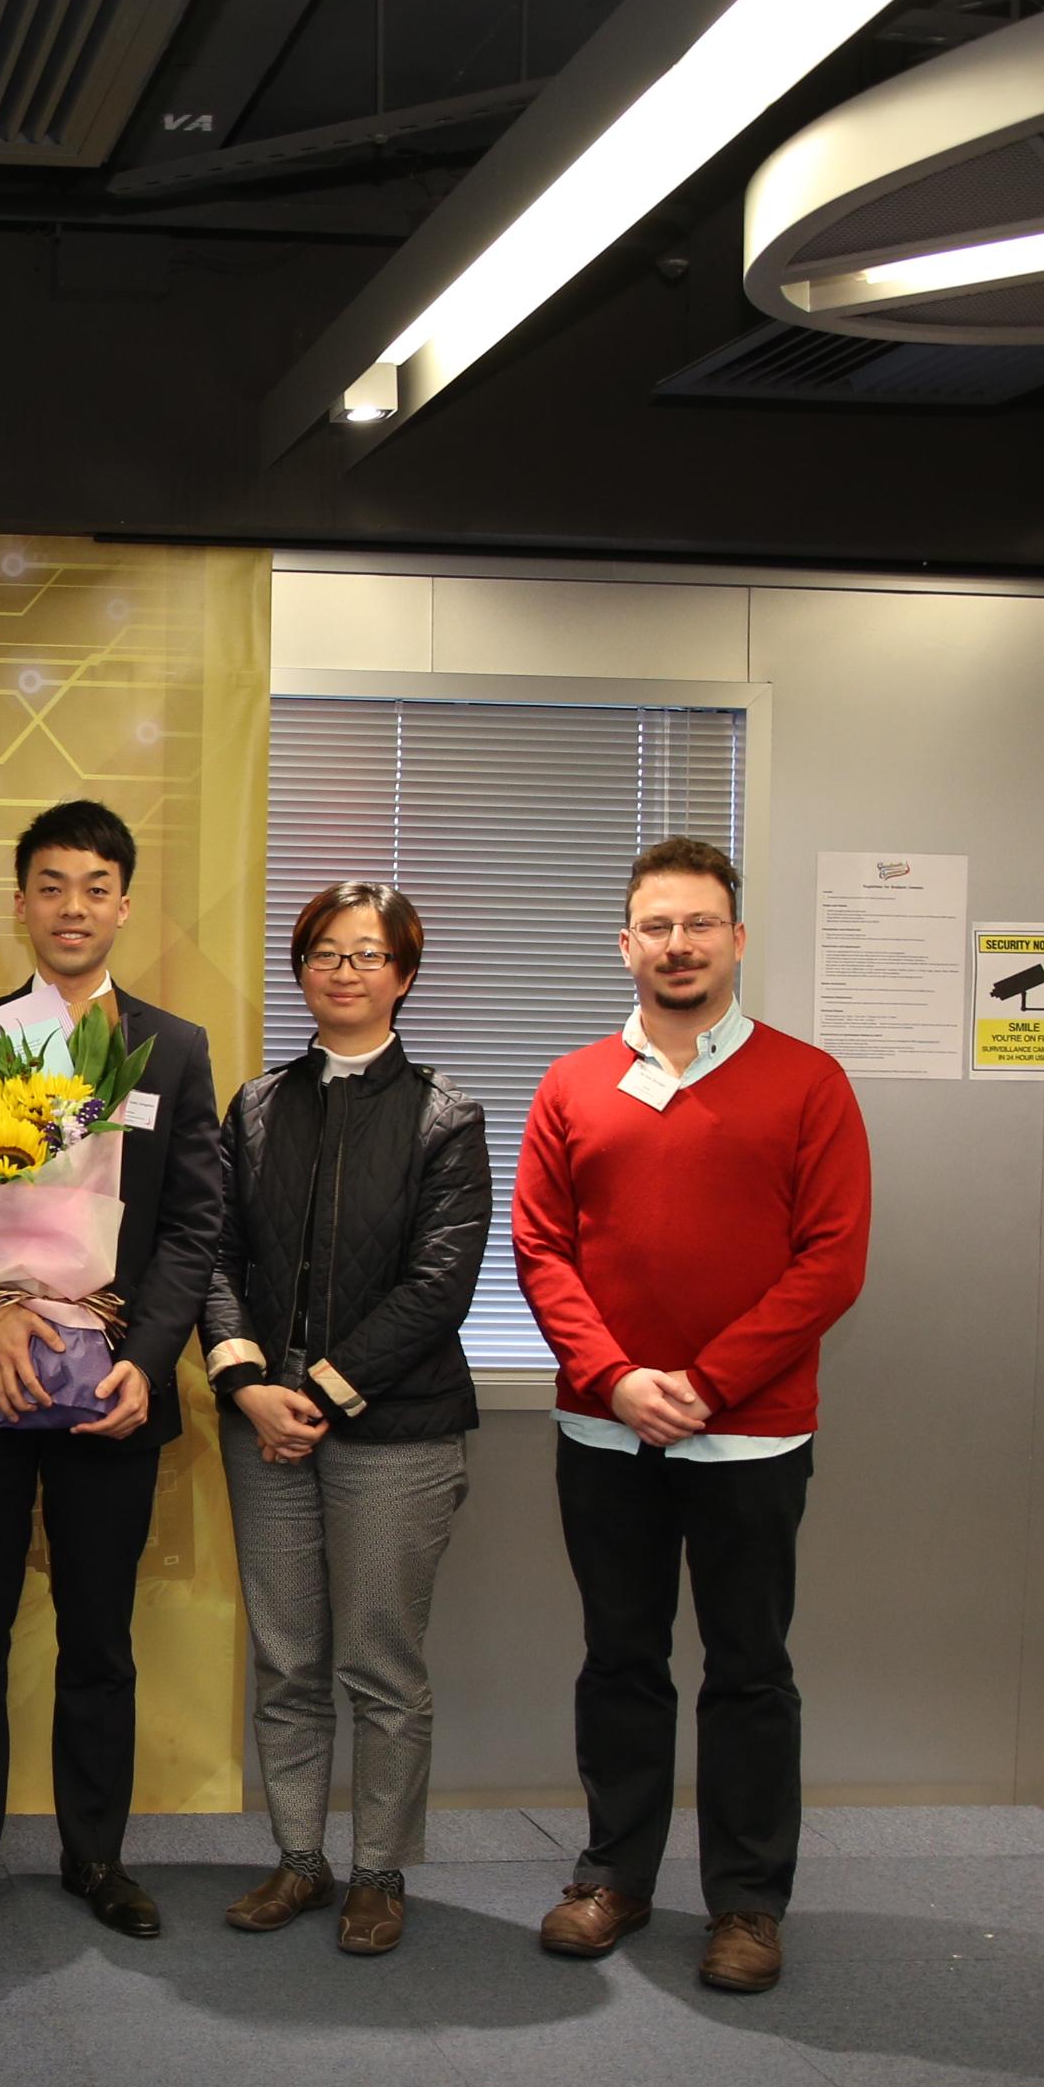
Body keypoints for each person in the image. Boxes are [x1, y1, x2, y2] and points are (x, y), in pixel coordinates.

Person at [512, 837, 871, 1995]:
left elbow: (831, 1260)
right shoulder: (571, 1083)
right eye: (657, 926)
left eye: (699, 923)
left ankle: (748, 1903)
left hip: (750, 1435)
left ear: (737, 938)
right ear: (626, 943)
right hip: (604, 1430)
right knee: (620, 1659)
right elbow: (540, 1248)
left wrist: (707, 1383)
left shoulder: (809, 1082)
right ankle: (611, 1877)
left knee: (749, 1668)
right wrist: (618, 1377)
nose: (678, 944)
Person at [0, 799, 222, 1938]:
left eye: (95, 886)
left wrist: (150, 1356)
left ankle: (96, 1856)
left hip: (110, 1396)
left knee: (100, 1638)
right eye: (50, 884)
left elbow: (192, 1221)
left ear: (123, 904)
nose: (72, 906)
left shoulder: (172, 1047)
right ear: (20, 900)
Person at [201, 883, 489, 1956]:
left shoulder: (446, 1115)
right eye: (324, 952)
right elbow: (215, 1255)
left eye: (368, 955)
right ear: (301, 969)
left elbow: (438, 1283)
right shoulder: (260, 1104)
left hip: (395, 1434)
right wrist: (245, 1385)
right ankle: (297, 1857)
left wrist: (312, 1392)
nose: (344, 971)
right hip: (260, 1426)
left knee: (380, 1661)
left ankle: (377, 1869)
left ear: (404, 974)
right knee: (286, 1658)